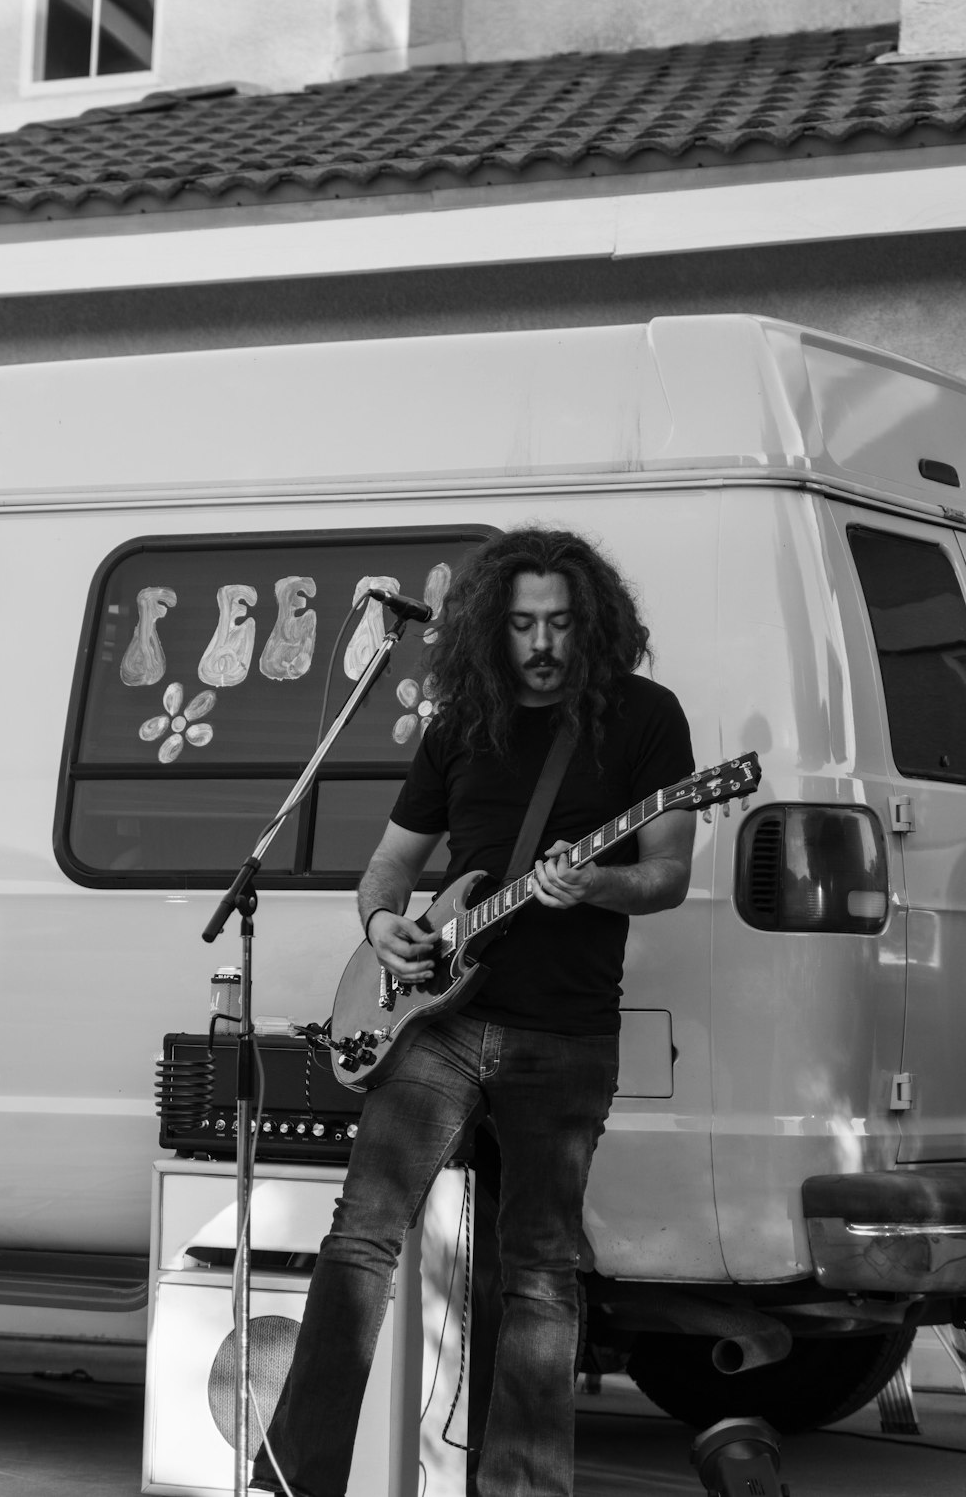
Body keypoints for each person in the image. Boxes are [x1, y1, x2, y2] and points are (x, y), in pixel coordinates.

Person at [251, 525, 696, 1497]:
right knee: (363, 1236)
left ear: (593, 626)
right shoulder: (461, 725)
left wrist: (600, 885)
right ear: (493, 630)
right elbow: (393, 866)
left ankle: (524, 1489)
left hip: (565, 1036)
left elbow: (667, 872)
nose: (541, 643)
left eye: (561, 624)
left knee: (539, 1272)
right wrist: (382, 926)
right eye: (523, 624)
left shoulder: (648, 720)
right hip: (438, 1022)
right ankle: (292, 1477)